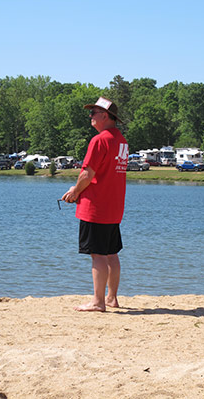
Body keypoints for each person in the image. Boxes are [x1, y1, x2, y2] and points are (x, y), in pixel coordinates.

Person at [62, 97, 129, 312]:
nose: (90, 116)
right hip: (114, 206)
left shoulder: (99, 140)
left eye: (94, 113)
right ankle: (112, 298)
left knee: (98, 255)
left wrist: (74, 191)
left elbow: (87, 174)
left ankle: (98, 302)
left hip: (96, 207)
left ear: (105, 116)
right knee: (112, 253)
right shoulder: (122, 141)